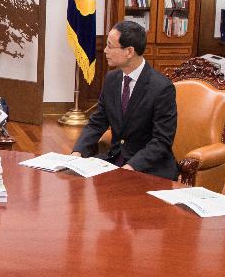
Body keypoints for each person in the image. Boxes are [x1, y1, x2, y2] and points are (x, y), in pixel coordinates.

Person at [71, 20, 178, 180]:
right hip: (114, 160)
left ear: (129, 51)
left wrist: (130, 168)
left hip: (148, 168)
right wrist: (77, 152)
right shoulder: (111, 79)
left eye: (110, 46)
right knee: (71, 178)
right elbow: (97, 122)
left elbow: (161, 141)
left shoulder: (161, 88)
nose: (105, 50)